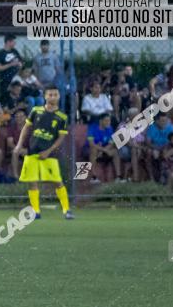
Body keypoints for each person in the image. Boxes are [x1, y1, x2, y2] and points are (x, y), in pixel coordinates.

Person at [15, 85, 74, 220]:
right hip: (32, 152)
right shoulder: (36, 111)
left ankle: (67, 210)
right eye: (50, 94)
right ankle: (36, 211)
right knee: (32, 181)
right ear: (45, 96)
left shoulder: (62, 117)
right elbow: (26, 128)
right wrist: (19, 145)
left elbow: (61, 138)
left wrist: (48, 151)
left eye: (55, 94)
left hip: (49, 155)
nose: (52, 97)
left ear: (59, 96)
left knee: (57, 181)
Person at [85, 115, 121, 183]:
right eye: (106, 120)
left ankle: (118, 177)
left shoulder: (110, 129)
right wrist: (103, 150)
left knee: (115, 152)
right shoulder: (92, 128)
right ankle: (94, 177)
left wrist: (103, 151)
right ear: (101, 121)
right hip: (89, 149)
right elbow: (91, 144)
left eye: (109, 121)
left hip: (103, 149)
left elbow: (111, 143)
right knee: (94, 150)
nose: (108, 122)